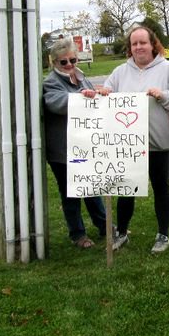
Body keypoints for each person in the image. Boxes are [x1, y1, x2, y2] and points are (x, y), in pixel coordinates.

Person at [103, 26, 169, 254]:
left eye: (143, 42)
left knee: (161, 187)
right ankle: (122, 233)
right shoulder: (120, 72)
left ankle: (163, 234)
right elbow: (106, 93)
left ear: (153, 44)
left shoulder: (167, 69)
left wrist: (163, 96)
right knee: (126, 189)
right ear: (129, 48)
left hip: (158, 142)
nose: (139, 47)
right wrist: (101, 94)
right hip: (129, 144)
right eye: (134, 44)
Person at [43, 38, 108, 249]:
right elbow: (56, 103)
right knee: (71, 194)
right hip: (62, 151)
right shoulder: (51, 82)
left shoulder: (82, 78)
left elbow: (93, 102)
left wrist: (98, 94)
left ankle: (105, 227)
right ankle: (78, 234)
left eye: (72, 59)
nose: (69, 65)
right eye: (64, 62)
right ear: (54, 63)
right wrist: (82, 97)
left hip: (85, 147)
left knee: (92, 189)